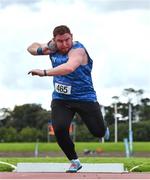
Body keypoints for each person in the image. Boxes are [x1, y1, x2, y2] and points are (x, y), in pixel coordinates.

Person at [27, 25, 109, 173]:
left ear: (72, 36)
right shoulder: (53, 47)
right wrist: (43, 48)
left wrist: (44, 72)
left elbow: (69, 67)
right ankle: (74, 161)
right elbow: (31, 48)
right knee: (58, 128)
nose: (64, 44)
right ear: (54, 40)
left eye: (67, 40)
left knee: (98, 132)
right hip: (61, 99)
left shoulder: (78, 50)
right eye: (60, 41)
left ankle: (104, 130)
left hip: (85, 98)